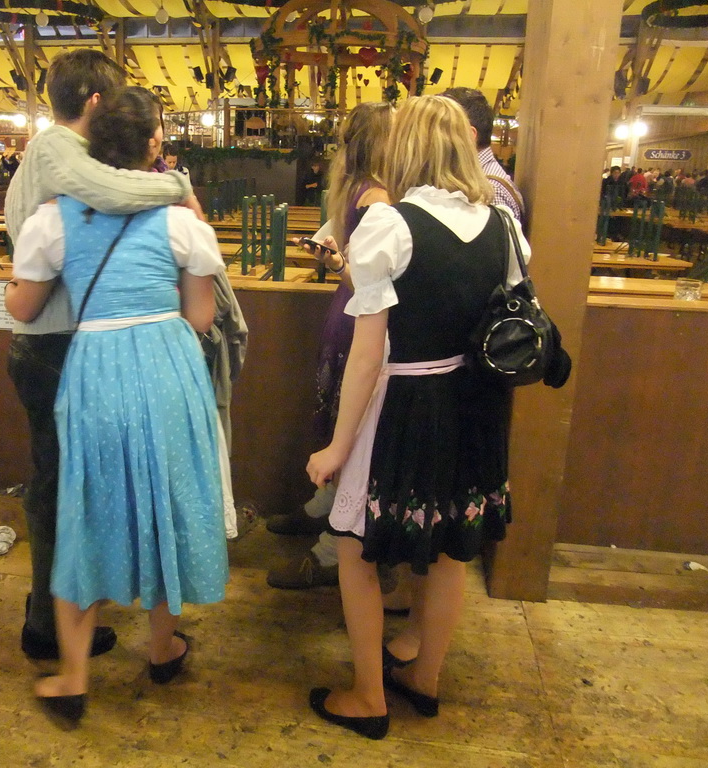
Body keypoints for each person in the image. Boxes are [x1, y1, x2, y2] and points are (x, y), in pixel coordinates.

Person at [305, 95, 528, 739]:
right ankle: (425, 679)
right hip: (473, 406)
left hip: (403, 403)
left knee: (356, 552)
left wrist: (337, 446)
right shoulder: (503, 226)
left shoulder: (391, 225)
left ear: (405, 150)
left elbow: (369, 354)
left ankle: (368, 696)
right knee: (451, 551)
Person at [5, 86, 228, 727]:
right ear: (152, 146)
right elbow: (202, 316)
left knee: (86, 503)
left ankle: (74, 674)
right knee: (163, 495)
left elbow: (23, 308)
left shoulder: (55, 218)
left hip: (96, 366)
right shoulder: (182, 219)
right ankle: (162, 647)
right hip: (165, 362)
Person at [266, 102, 393, 589]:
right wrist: (341, 262)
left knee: (341, 420)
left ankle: (320, 514)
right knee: (355, 433)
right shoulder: (378, 197)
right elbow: (369, 281)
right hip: (361, 318)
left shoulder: (352, 187)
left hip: (343, 316)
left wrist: (337, 259)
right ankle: (327, 547)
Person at [441, 87, 523, 221]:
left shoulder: (490, 192)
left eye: (442, 128)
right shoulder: (478, 182)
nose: (434, 138)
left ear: (469, 135)